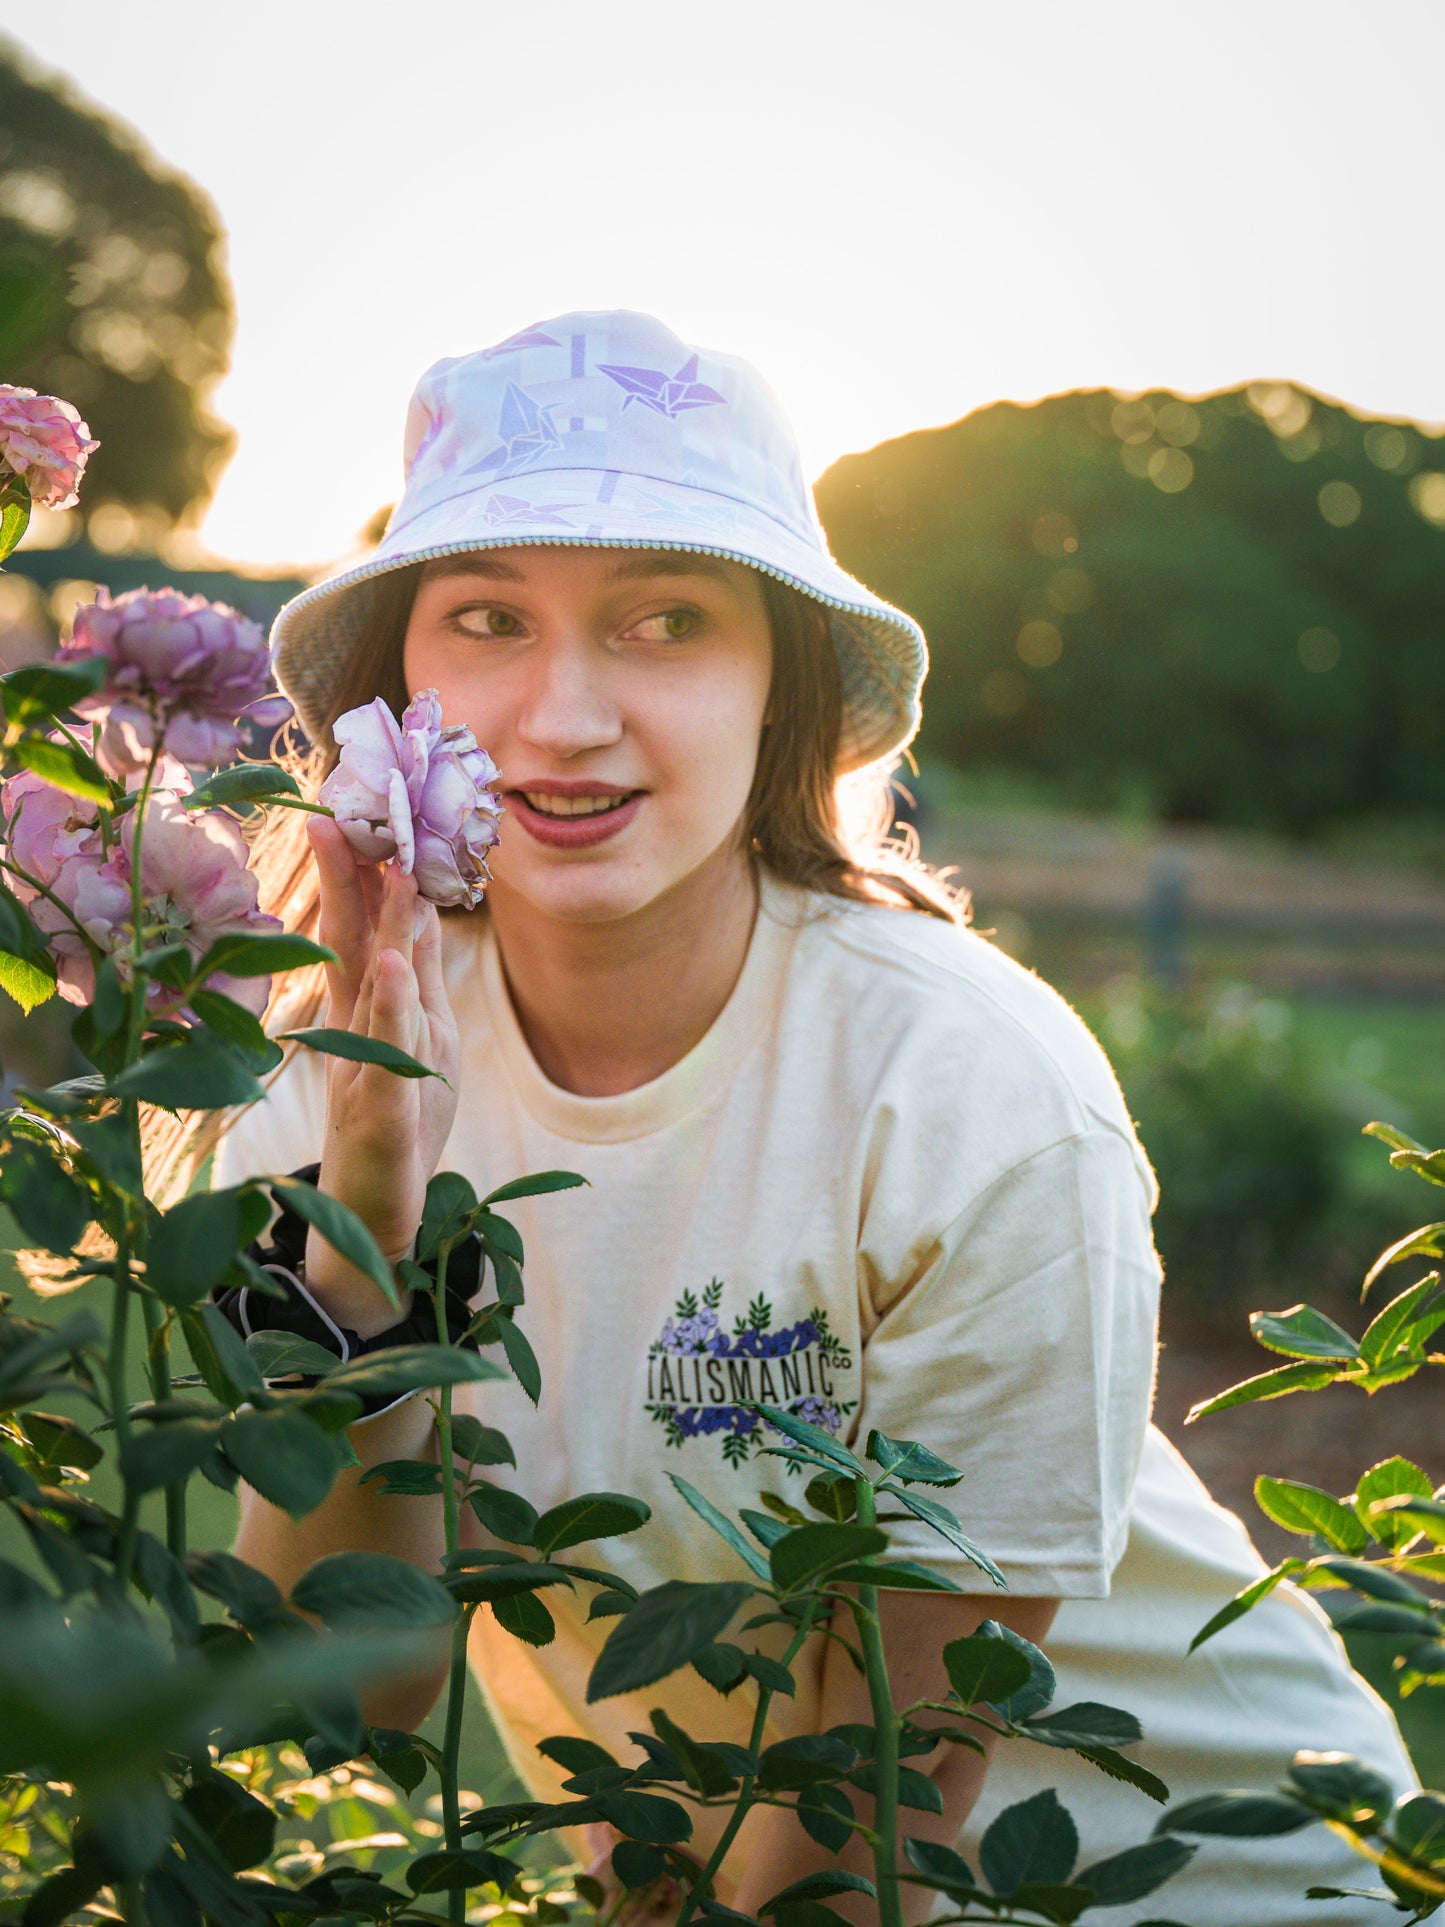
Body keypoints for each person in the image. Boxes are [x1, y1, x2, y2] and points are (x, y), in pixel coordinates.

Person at [210, 310, 1415, 1924]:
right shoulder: (338, 1072)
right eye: (488, 617)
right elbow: (337, 1723)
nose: (563, 715)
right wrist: (365, 1244)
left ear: (778, 686)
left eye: (666, 622)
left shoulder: (967, 1093)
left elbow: (872, 1825)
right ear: (394, 689)